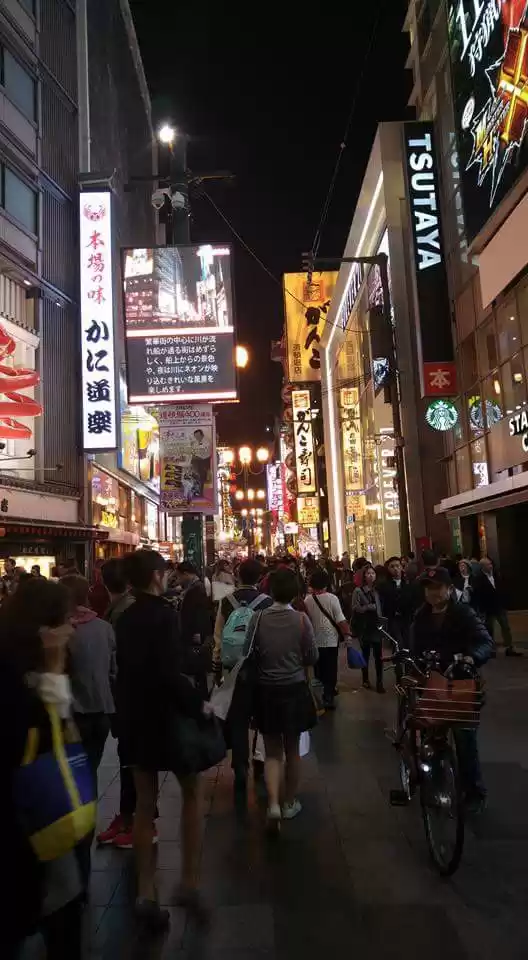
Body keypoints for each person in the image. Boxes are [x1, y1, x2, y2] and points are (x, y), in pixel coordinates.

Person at [116, 550, 210, 930]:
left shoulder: (125, 617)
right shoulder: (165, 616)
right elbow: (170, 673)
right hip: (166, 719)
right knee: (192, 792)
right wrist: (198, 706)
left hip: (136, 720)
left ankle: (145, 891)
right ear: (156, 576)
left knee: (144, 804)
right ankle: (188, 881)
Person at [0, 578, 86, 958]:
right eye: (65, 620)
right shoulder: (20, 675)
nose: (72, 627)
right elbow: (57, 727)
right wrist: (54, 671)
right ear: (44, 627)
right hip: (28, 808)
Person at [411, 567, 493, 812]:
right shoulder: (421, 616)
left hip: (460, 684)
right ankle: (435, 786)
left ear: (449, 589)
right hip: (433, 683)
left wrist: (470, 657)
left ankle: (474, 792)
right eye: (429, 588)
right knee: (431, 735)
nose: (433, 593)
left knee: (464, 738)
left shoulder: (463, 613)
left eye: (437, 587)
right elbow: (413, 647)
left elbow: (485, 642)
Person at [245, 568, 318, 831]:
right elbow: (312, 656)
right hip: (295, 688)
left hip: (266, 690)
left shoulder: (258, 618)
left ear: (270, 591)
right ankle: (289, 803)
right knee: (292, 750)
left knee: (272, 751)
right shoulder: (301, 620)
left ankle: (273, 803)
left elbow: (247, 653)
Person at [213, 558, 272, 796]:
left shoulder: (226, 601)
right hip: (260, 667)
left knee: (237, 720)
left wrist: (217, 667)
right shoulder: (267, 602)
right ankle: (259, 760)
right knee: (262, 717)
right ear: (259, 578)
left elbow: (218, 636)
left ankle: (240, 767)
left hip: (233, 669)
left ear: (238, 576)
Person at [96, 559, 137, 849]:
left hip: (130, 699)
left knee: (133, 760)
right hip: (124, 698)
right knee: (128, 758)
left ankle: (136, 821)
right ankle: (126, 816)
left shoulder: (125, 612)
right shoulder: (122, 609)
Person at [61, 575, 116, 780]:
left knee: (71, 778)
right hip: (102, 710)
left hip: (73, 713)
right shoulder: (105, 628)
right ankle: (90, 811)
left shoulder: (62, 631)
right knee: (90, 772)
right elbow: (113, 670)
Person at [304, 568, 352, 710]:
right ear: (326, 584)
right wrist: (347, 634)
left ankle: (324, 689)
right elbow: (340, 619)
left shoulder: (307, 599)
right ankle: (328, 695)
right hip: (330, 639)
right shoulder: (332, 598)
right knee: (331, 668)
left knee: (319, 667)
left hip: (315, 639)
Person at [177, 560, 214, 697]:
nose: (179, 580)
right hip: (197, 635)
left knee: (197, 669)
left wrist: (198, 633)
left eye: (180, 576)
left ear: (186, 574)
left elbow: (199, 613)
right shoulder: (196, 587)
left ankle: (201, 697)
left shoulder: (196, 588)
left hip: (195, 636)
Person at [472, 557, 521, 656]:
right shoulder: (478, 579)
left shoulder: (496, 575)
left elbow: (502, 588)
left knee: (505, 627)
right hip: (488, 608)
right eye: (488, 565)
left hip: (499, 606)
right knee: (490, 629)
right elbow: (478, 594)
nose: (491, 566)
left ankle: (509, 647)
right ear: (482, 567)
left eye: (491, 564)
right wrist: (481, 609)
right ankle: (491, 649)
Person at [351, 564, 384, 693]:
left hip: (376, 626)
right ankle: (365, 679)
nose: (371, 575)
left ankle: (379, 681)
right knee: (365, 654)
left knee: (378, 656)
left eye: (373, 573)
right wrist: (368, 607)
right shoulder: (358, 591)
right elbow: (354, 608)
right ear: (364, 576)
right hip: (364, 626)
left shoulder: (378, 590)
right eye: (368, 573)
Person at [379, 556, 413, 650]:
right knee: (398, 643)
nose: (396, 569)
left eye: (398, 566)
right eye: (392, 566)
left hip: (407, 618)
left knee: (408, 643)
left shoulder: (408, 583)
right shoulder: (384, 585)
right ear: (388, 569)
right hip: (392, 619)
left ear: (402, 567)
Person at [190, 428, 212, 496]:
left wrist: (196, 456)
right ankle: (196, 491)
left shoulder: (207, 441)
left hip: (205, 461)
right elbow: (193, 452)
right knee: (195, 475)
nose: (197, 437)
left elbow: (204, 453)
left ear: (202, 435)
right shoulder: (195, 443)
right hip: (197, 462)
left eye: (198, 436)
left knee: (201, 477)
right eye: (195, 436)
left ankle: (201, 492)